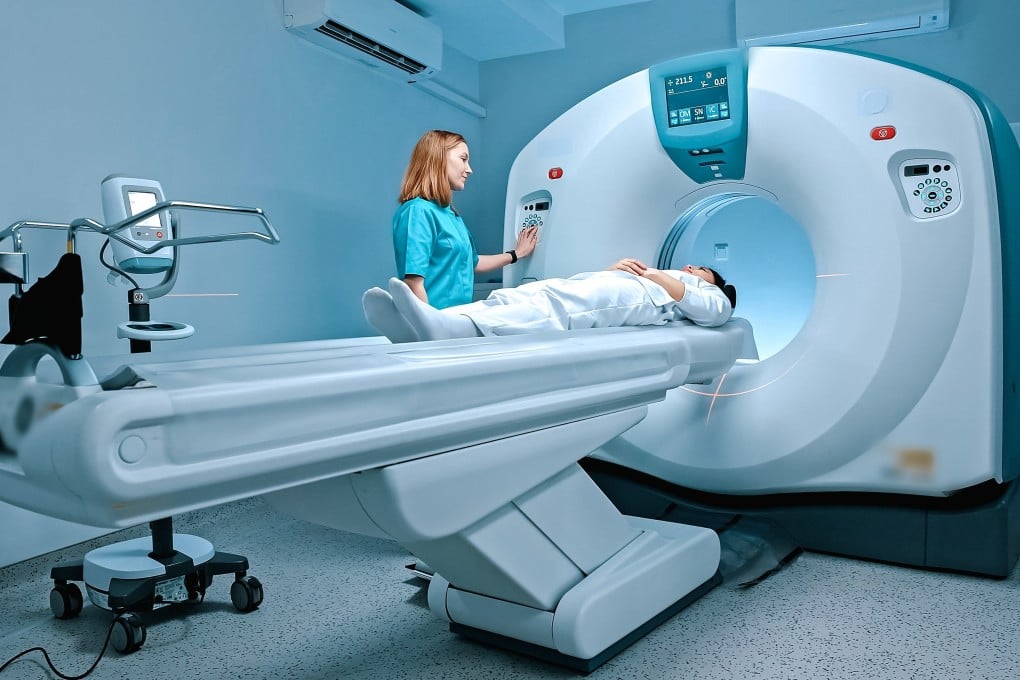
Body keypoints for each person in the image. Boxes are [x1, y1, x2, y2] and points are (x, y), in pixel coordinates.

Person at [362, 257, 737, 343]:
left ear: (713, 283)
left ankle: (450, 330)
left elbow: (714, 314)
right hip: (613, 285)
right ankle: (426, 320)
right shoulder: (670, 275)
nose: (691, 266)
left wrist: (658, 277)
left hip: (636, 299)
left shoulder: (710, 295)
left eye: (702, 268)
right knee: (525, 294)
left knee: (551, 309)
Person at [393, 130, 539, 313]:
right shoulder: (418, 211)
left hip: (456, 320)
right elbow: (413, 284)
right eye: (463, 159)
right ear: (438, 159)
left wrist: (516, 254)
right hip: (436, 322)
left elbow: (472, 263)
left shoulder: (450, 214)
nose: (469, 169)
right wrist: (432, 330)